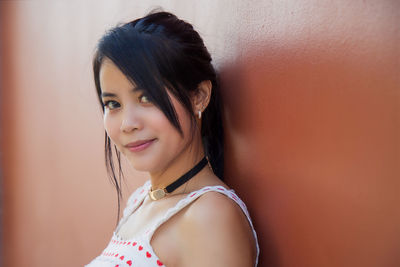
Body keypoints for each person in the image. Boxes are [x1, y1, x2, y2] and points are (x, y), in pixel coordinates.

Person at [86, 10, 259, 267]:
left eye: (147, 97)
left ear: (199, 96)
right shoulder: (142, 200)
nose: (127, 124)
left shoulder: (209, 217)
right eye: (113, 103)